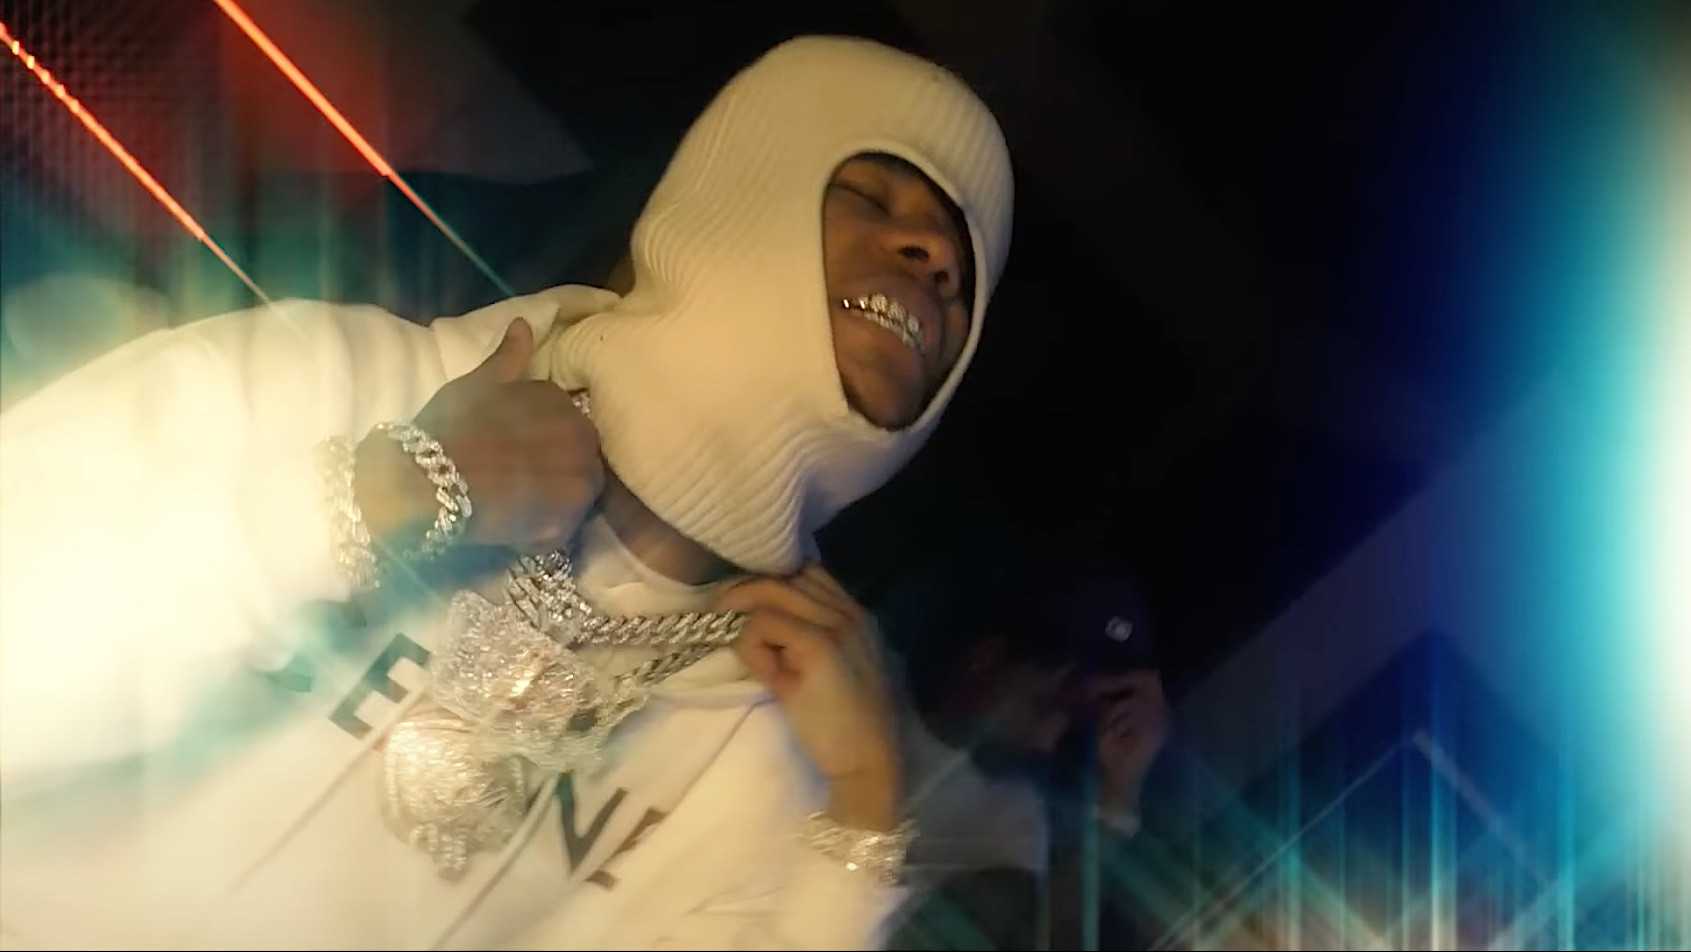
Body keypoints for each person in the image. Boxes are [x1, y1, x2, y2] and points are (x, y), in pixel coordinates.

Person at [0, 35, 1012, 949]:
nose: (932, 259)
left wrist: (863, 823)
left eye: (960, 274)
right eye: (870, 196)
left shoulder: (763, 748)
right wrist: (380, 494)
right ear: (741, 196)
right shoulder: (333, 381)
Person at [881, 551, 1180, 949]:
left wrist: (1120, 795)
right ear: (985, 659)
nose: (1046, 742)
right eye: (1044, 705)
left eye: (1071, 725)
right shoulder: (862, 672)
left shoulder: (1009, 824)